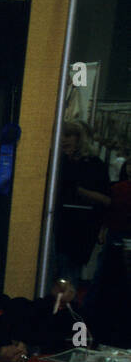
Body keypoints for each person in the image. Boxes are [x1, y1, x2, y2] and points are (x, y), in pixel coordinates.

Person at [54, 120, 112, 286]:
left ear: (79, 138)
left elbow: (107, 200)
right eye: (61, 135)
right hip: (57, 224)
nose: (63, 139)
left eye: (68, 135)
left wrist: (79, 191)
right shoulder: (57, 160)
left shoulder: (95, 164)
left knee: (69, 272)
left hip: (81, 227)